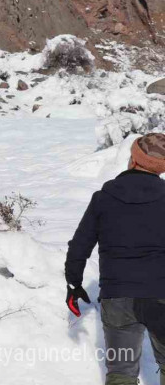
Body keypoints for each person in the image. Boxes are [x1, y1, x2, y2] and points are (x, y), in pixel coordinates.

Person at [65, 133, 165, 385]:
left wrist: (73, 284)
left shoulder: (104, 198)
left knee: (121, 373)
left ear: (132, 159)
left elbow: (80, 246)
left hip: (118, 297)